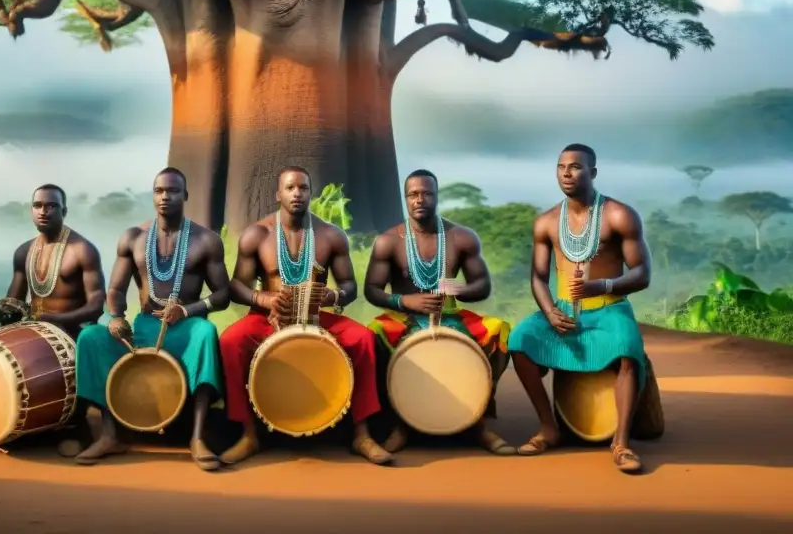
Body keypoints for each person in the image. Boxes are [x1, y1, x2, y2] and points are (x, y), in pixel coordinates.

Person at [218, 166, 392, 466]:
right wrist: (263, 298)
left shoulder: (330, 235)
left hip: (316, 316)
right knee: (230, 341)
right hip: (268, 315)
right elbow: (237, 286)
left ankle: (361, 433)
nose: (297, 193)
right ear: (278, 194)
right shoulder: (257, 234)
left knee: (363, 339)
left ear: (311, 193)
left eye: (303, 188)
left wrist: (332, 296)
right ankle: (248, 434)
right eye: (290, 188)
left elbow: (349, 286)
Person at [72, 167, 230, 470]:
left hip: (186, 327)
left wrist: (186, 310)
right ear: (152, 195)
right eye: (159, 191)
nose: (165, 196)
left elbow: (222, 294)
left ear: (184, 195)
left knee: (207, 333)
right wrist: (117, 317)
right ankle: (108, 434)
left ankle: (197, 438)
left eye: (172, 191)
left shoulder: (205, 240)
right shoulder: (134, 237)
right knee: (91, 337)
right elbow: (116, 289)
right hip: (144, 326)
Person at [508, 143, 651, 474]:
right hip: (563, 309)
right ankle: (548, 428)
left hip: (609, 307)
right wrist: (549, 312)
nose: (567, 173)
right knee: (519, 341)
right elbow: (538, 277)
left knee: (628, 350)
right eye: (561, 167)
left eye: (575, 167)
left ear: (593, 172)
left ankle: (622, 442)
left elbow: (643, 273)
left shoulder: (619, 215)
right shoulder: (546, 222)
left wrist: (602, 286)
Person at [364, 170, 514, 455]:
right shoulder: (389, 240)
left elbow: (482, 285)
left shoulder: (460, 237)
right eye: (413, 194)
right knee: (372, 334)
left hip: (451, 315)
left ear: (436, 196)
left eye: (426, 193)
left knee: (500, 330)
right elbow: (372, 290)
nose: (420, 199)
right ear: (405, 198)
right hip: (404, 316)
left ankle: (477, 418)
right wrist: (406, 301)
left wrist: (453, 287)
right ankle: (399, 421)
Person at [0, 183, 107, 457]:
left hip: (72, 332)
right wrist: (7, 312)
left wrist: (55, 319)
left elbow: (96, 306)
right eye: (37, 206)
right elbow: (14, 298)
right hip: (35, 331)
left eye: (51, 206)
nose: (43, 211)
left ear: (64, 210)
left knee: (88, 348)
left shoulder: (83, 250)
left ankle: (78, 427)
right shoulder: (24, 252)